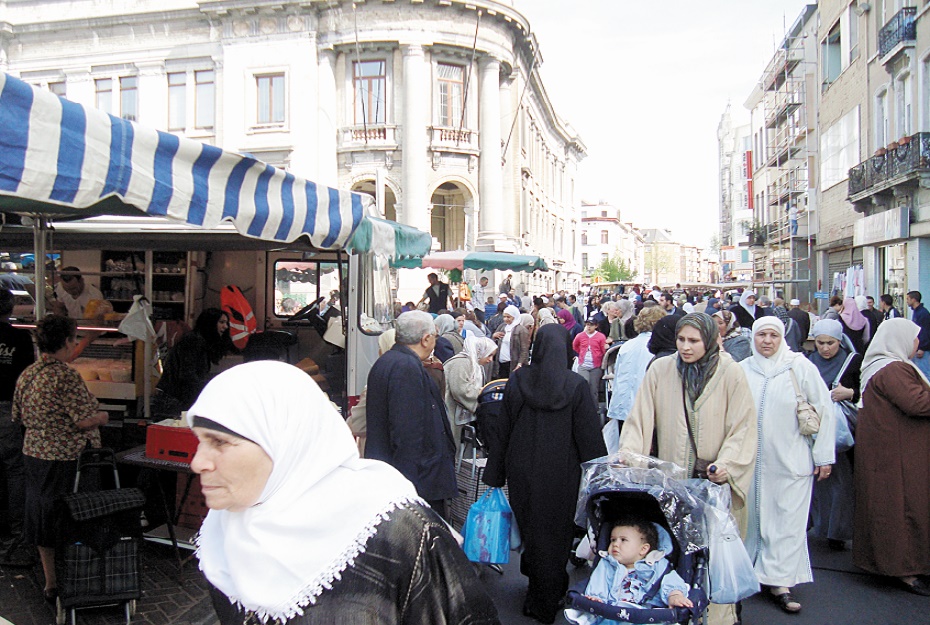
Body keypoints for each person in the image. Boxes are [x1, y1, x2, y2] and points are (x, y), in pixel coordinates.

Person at [187, 361, 500, 625]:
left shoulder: (396, 531)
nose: (198, 462)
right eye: (199, 440)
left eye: (220, 442)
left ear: (284, 443)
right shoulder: (223, 530)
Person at [620, 313, 757, 625]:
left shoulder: (731, 373)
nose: (685, 346)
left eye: (693, 341)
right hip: (674, 484)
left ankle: (719, 617)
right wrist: (629, 454)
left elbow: (743, 427)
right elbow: (639, 418)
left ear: (708, 341)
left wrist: (727, 465)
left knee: (714, 559)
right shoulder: (661, 369)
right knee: (676, 555)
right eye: (681, 339)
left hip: (714, 487)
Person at [483, 324, 607, 624]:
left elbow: (504, 429)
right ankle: (549, 594)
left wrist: (495, 474)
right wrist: (600, 480)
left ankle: (535, 590)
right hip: (562, 474)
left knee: (531, 528)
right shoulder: (575, 386)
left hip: (521, 470)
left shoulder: (518, 381)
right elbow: (589, 440)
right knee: (555, 533)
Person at [739, 317, 834, 614]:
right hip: (751, 462)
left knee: (787, 520)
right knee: (753, 518)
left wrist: (823, 455)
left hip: (791, 460)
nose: (767, 341)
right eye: (761, 335)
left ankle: (780, 581)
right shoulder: (743, 370)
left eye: (773, 335)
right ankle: (751, 573)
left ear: (783, 338)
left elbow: (824, 410)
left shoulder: (799, 367)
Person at [12, 314, 108, 601]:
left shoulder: (29, 374)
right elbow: (83, 421)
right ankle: (78, 576)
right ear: (67, 342)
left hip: (34, 455)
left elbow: (17, 415)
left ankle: (51, 581)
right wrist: (102, 416)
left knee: (42, 515)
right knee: (71, 517)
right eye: (74, 338)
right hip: (65, 459)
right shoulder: (66, 376)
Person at [853, 318, 930, 595]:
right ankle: (904, 569)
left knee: (889, 507)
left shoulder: (882, 366)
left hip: (887, 452)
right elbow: (917, 403)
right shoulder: (893, 369)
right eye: (914, 337)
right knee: (901, 509)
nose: (917, 343)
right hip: (896, 456)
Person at [365, 311, 456, 518]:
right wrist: (408, 489)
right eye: (434, 336)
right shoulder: (405, 367)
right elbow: (407, 433)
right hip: (416, 481)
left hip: (402, 476)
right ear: (425, 339)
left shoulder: (390, 360)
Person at [568, 516, 692, 625]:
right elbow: (598, 582)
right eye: (613, 540)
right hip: (612, 613)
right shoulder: (607, 564)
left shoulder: (657, 565)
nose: (615, 544)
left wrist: (675, 595)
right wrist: (595, 599)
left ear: (643, 549)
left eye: (623, 540)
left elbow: (671, 580)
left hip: (648, 616)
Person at [807, 319, 861, 552]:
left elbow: (867, 389)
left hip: (841, 435)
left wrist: (850, 393)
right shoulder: (807, 363)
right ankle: (818, 526)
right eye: (820, 343)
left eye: (830, 343)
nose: (825, 348)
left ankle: (837, 531)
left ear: (840, 342)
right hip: (814, 430)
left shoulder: (853, 362)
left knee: (841, 483)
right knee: (817, 483)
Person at [0, 290, 35, 567]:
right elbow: (28, 377)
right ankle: (15, 533)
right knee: (14, 470)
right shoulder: (20, 338)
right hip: (7, 409)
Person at [605, 306, 667, 446]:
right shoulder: (656, 347)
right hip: (644, 409)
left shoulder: (627, 346)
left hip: (623, 406)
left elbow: (618, 376)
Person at [155, 308, 235, 413]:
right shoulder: (193, 341)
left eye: (226, 323)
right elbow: (188, 375)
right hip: (176, 399)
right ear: (210, 323)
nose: (225, 326)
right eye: (221, 322)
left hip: (177, 397)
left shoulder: (198, 341)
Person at [443, 336, 497, 447]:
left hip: (458, 411)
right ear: (479, 351)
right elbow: (461, 390)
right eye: (489, 355)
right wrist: (482, 394)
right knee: (453, 443)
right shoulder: (461, 363)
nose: (490, 360)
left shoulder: (473, 364)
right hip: (451, 411)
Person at [573, 318, 608, 410]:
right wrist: (581, 353)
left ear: (596, 326)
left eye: (591, 325)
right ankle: (582, 407)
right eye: (587, 324)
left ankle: (594, 408)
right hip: (583, 365)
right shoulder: (580, 336)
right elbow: (575, 346)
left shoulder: (601, 337)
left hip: (595, 366)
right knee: (584, 385)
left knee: (593, 388)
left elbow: (603, 350)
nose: (589, 327)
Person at [493, 305, 529, 379]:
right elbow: (494, 344)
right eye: (504, 317)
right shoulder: (502, 327)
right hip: (501, 363)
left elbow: (524, 349)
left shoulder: (521, 330)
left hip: (513, 363)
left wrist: (520, 364)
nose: (506, 319)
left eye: (508, 317)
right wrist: (494, 336)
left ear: (514, 316)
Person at [907, 290, 930, 378]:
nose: (907, 301)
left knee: (924, 372)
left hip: (922, 349)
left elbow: (924, 331)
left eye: (908, 299)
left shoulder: (923, 313)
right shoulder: (916, 312)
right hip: (917, 347)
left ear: (914, 300)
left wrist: (922, 348)